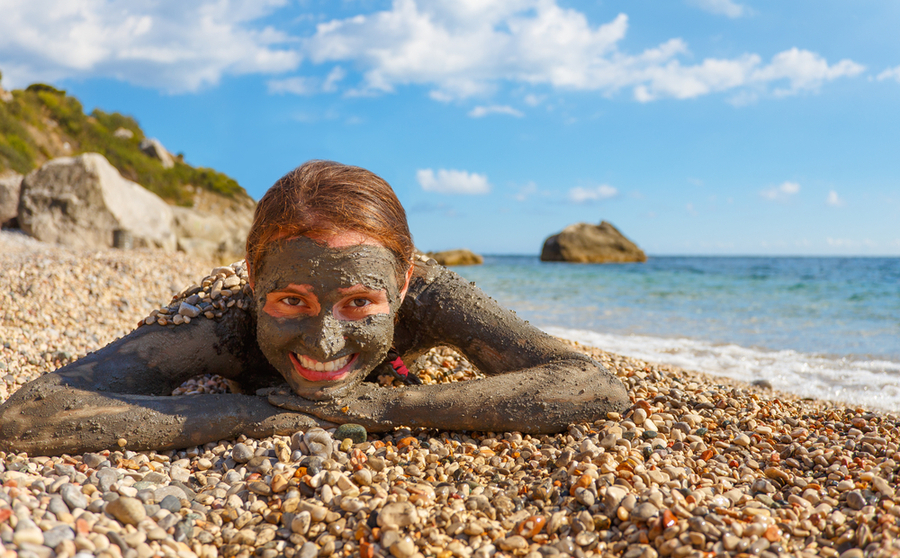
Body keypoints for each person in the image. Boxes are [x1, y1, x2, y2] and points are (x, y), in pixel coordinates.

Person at [0, 161, 629, 455]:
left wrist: (386, 405)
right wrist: (251, 415)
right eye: (290, 300)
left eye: (360, 303)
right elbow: (28, 414)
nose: (325, 342)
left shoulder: (433, 296)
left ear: (403, 283)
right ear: (253, 282)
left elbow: (591, 383)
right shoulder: (221, 323)